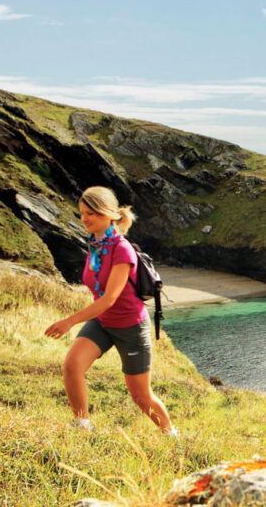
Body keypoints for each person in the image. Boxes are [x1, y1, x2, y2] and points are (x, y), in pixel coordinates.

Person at [44, 186, 176, 435]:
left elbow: (109, 299)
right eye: (82, 213)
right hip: (103, 323)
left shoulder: (121, 249)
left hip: (130, 327)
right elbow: (96, 287)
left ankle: (172, 436)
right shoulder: (95, 245)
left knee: (141, 396)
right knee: (73, 366)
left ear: (107, 214)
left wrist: (69, 321)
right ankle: (82, 427)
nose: (84, 218)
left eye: (91, 213)